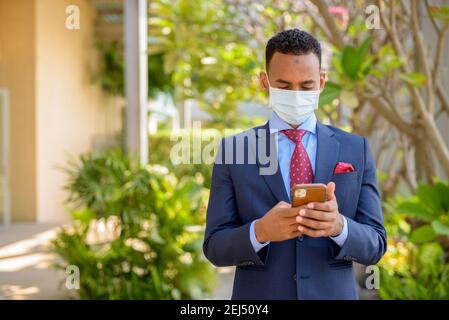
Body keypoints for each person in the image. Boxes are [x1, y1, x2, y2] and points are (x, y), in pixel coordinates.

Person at [203, 29, 387, 300]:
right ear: (265, 82)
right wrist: (261, 231)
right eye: (285, 86)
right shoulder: (234, 150)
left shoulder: (355, 149)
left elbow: (376, 244)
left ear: (322, 82)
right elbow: (215, 247)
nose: (296, 94)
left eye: (306, 86)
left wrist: (338, 226)